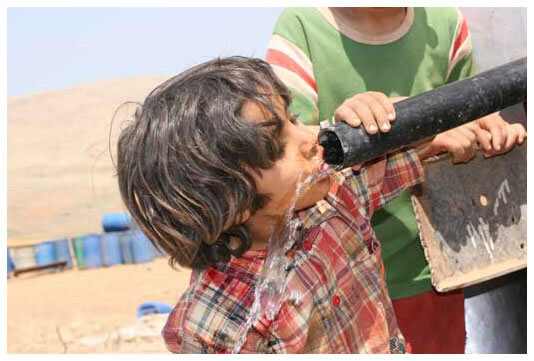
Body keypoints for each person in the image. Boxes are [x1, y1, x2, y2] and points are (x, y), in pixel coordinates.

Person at [116, 56, 455, 353]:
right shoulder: (221, 321)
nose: (309, 138)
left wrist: (376, 116)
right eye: (277, 148)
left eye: (292, 119)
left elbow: (422, 134)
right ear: (228, 202)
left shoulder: (334, 200)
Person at [266, 7, 526, 353]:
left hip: (435, 273)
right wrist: (405, 136)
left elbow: (469, 121)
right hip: (338, 283)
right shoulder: (300, 28)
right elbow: (287, 160)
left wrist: (487, 130)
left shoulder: (447, 25)